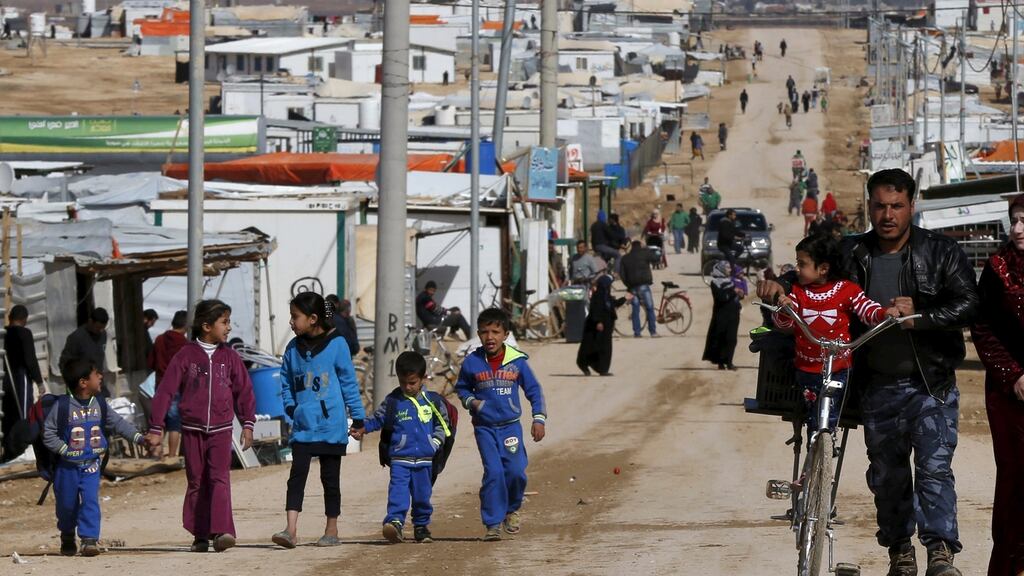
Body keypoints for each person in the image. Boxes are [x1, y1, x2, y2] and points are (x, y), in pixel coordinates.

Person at [757, 168, 978, 576]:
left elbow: (968, 303)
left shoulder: (941, 252)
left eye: (896, 206)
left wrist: (922, 316)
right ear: (870, 206)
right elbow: (807, 274)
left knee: (934, 470)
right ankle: (900, 554)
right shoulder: (852, 252)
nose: (888, 214)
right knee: (888, 476)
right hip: (876, 386)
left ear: (912, 205)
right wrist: (778, 285)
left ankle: (941, 555)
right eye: (880, 206)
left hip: (931, 383)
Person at [146, 299, 257, 553]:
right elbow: (165, 392)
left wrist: (248, 424)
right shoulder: (185, 355)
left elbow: (245, 391)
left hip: (221, 429)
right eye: (224, 322)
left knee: (219, 479)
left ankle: (221, 532)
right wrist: (156, 427)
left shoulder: (230, 356)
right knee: (196, 481)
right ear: (206, 326)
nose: (228, 328)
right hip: (192, 429)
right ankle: (200, 535)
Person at [771, 235, 898, 429]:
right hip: (807, 369)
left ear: (823, 268)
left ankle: (826, 445)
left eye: (802, 264)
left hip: (839, 368)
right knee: (814, 416)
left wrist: (884, 314)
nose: (797, 269)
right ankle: (815, 442)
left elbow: (867, 310)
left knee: (830, 416)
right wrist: (785, 308)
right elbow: (783, 323)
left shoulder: (847, 290)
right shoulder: (797, 292)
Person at [273, 293, 365, 549]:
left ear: (313, 319)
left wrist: (358, 418)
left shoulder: (337, 344)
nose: (291, 322)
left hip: (331, 426)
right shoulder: (293, 348)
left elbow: (348, 383)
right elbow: (285, 380)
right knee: (297, 475)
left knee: (330, 479)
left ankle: (331, 529)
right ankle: (290, 530)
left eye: (295, 317)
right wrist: (292, 407)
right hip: (303, 426)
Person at [44, 358, 152, 557]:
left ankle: (89, 539)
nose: (101, 377)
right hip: (66, 468)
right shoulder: (62, 407)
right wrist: (65, 450)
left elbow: (119, 424)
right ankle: (67, 534)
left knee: (90, 500)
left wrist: (140, 439)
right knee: (66, 506)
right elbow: (48, 434)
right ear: (83, 382)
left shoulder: (101, 404)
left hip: (91, 465)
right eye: (96, 374)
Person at [455, 308, 546, 541]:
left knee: (515, 472)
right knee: (494, 472)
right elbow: (462, 388)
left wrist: (538, 418)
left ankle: (512, 509)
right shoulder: (472, 362)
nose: (490, 337)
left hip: (510, 427)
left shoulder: (517, 362)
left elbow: (534, 391)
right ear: (478, 334)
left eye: (496, 331)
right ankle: (492, 523)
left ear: (506, 334)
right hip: (485, 428)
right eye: (485, 332)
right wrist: (471, 402)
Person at [970, 194, 1024, 576]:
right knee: (1015, 480)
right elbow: (983, 327)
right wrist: (1013, 374)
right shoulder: (997, 266)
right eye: (1014, 220)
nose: (1018, 229)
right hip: (1009, 393)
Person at [350, 352, 449, 544]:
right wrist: (363, 428)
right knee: (398, 492)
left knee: (422, 495)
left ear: (423, 378)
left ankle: (421, 527)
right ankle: (395, 523)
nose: (407, 387)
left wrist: (434, 444)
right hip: (400, 459)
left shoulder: (433, 401)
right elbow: (378, 418)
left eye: (412, 382)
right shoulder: (393, 401)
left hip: (424, 460)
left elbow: (442, 425)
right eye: (403, 382)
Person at [2, 305, 44, 459]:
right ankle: (21, 449)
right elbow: (30, 359)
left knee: (8, 413)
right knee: (24, 414)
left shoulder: (3, 333)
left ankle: (8, 449)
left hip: (5, 378)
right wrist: (39, 382)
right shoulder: (24, 333)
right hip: (20, 378)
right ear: (24, 319)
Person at [147, 310, 189, 459]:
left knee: (158, 421)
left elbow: (151, 363)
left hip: (159, 386)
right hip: (176, 388)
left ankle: (156, 453)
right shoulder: (184, 345)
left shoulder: (159, 339)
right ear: (186, 326)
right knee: (174, 424)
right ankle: (172, 455)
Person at [576, 275, 629, 376]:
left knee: (605, 348)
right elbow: (594, 310)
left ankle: (602, 369)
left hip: (606, 327)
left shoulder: (607, 296)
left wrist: (624, 298)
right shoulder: (597, 296)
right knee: (590, 347)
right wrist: (598, 322)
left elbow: (614, 304)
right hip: (595, 327)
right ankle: (583, 364)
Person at [59, 308, 110, 397]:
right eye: (98, 327)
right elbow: (64, 364)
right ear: (90, 321)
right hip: (82, 389)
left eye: (103, 328)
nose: (100, 331)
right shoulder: (76, 338)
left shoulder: (103, 335)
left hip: (98, 385)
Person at [703, 261, 742, 370]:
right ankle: (721, 362)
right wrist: (734, 291)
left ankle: (729, 362)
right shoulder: (715, 283)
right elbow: (722, 298)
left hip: (733, 314)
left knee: (731, 339)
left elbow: (734, 296)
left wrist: (740, 294)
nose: (730, 270)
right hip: (721, 315)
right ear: (721, 269)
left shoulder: (730, 281)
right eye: (727, 268)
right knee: (721, 338)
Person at [620, 240, 660, 338]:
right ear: (640, 246)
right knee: (650, 308)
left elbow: (622, 275)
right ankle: (653, 332)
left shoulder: (625, 258)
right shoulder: (645, 253)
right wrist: (655, 250)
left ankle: (637, 333)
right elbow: (656, 258)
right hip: (643, 285)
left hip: (632, 287)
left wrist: (628, 285)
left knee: (635, 309)